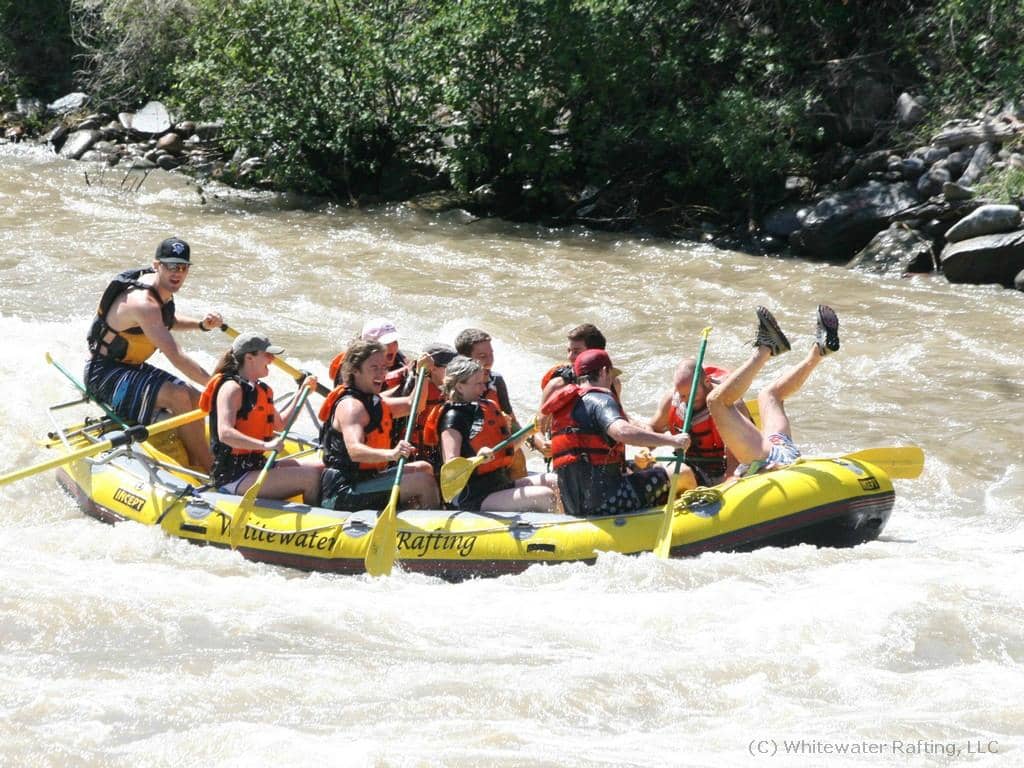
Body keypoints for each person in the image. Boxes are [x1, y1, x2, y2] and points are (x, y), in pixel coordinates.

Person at [84, 237, 221, 471]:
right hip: (104, 375)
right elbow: (176, 356)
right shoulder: (143, 302)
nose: (177, 273)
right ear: (156, 265)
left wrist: (200, 325)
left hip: (132, 368)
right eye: (170, 266)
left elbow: (168, 320)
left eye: (182, 267)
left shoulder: (161, 290)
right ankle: (210, 469)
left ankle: (202, 457)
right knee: (180, 397)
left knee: (197, 399)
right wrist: (218, 386)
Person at [540, 349, 693, 517]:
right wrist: (672, 441)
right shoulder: (600, 400)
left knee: (647, 467)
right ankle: (695, 525)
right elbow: (621, 431)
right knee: (684, 472)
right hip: (610, 502)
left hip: (575, 507)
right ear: (604, 372)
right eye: (611, 375)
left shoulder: (565, 408)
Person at [706, 305, 840, 479]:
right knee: (770, 396)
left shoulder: (730, 411)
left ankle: (766, 348)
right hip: (782, 450)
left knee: (716, 402)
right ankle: (818, 352)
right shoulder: (733, 411)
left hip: (765, 461)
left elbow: (732, 468)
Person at [318, 339, 440, 512]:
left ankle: (413, 515)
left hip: (368, 480)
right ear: (354, 370)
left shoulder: (373, 402)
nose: (381, 374)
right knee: (422, 481)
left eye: (383, 367)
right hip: (344, 490)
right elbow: (355, 451)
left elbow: (415, 405)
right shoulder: (351, 407)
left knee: (424, 468)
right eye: (374, 368)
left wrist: (424, 374)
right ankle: (435, 530)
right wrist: (392, 454)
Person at [200, 333, 322, 502]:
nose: (272, 359)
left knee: (322, 467)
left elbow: (280, 425)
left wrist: (302, 393)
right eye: (267, 355)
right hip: (234, 477)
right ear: (249, 358)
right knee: (311, 478)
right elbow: (225, 434)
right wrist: (266, 445)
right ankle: (319, 520)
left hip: (256, 466)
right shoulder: (231, 388)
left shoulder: (261, 390)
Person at [430, 356, 558, 512]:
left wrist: (529, 431)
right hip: (472, 495)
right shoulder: (453, 417)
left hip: (498, 484)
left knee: (555, 481)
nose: (483, 389)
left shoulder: (483, 408)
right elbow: (451, 465)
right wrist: (477, 459)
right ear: (459, 387)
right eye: (477, 384)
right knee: (544, 495)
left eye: (483, 383)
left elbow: (507, 449)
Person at [648, 358, 751, 485]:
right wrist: (645, 453)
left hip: (732, 465)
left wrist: (728, 480)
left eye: (692, 395)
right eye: (682, 395)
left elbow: (737, 457)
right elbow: (652, 428)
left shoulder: (731, 403)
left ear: (707, 382)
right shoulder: (673, 401)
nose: (686, 401)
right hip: (695, 467)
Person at [454, 327, 531, 476]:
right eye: (482, 356)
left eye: (491, 355)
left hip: (495, 447)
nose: (489, 362)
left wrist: (534, 439)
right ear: (465, 359)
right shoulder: (456, 387)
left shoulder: (497, 381)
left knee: (518, 455)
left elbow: (514, 424)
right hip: (470, 453)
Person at [536, 323, 612, 457]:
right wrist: (543, 445)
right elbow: (537, 430)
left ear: (594, 354)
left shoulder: (612, 383)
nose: (570, 357)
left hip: (602, 458)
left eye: (576, 352)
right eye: (569, 351)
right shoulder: (556, 386)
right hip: (569, 462)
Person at [402, 342, 458, 473]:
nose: (456, 371)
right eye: (451, 367)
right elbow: (416, 406)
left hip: (439, 452)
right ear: (433, 369)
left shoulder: (454, 388)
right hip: (415, 456)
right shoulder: (413, 388)